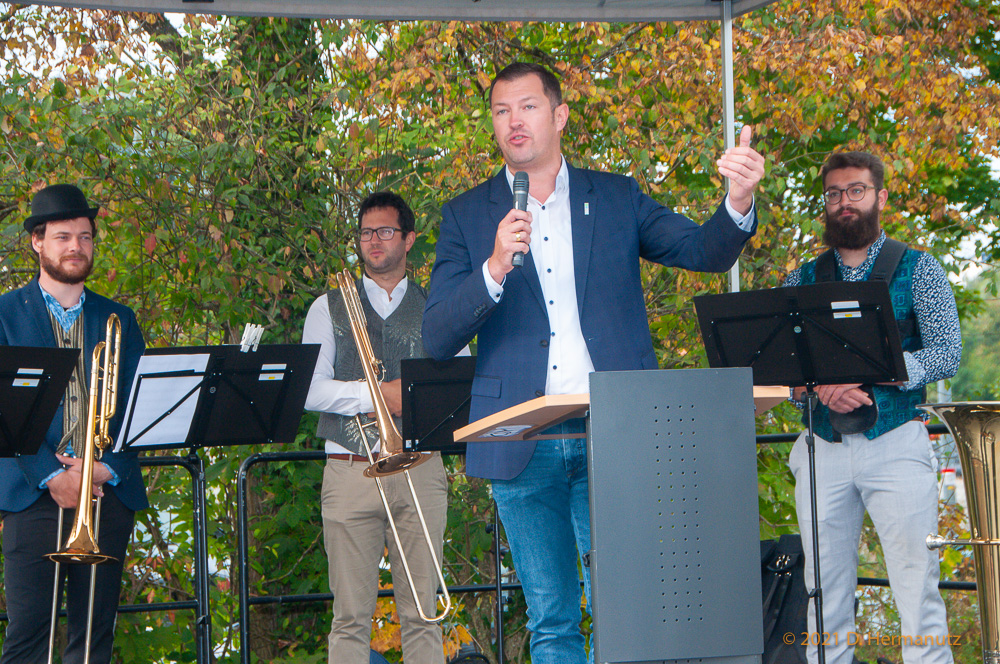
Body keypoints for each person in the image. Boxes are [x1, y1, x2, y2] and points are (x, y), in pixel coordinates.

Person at [422, 62, 764, 664]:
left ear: (560, 116)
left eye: (528, 107)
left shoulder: (615, 197)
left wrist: (737, 200)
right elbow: (436, 337)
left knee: (629, 607)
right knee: (551, 619)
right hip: (521, 436)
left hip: (616, 431)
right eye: (501, 111)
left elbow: (702, 251)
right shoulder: (467, 215)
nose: (513, 121)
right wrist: (495, 266)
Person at [784, 151, 959, 664]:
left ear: (879, 197)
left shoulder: (920, 268)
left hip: (896, 443)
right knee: (823, 594)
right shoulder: (800, 279)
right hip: (821, 448)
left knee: (917, 589)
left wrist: (871, 373)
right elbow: (786, 370)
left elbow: (946, 352)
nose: (845, 201)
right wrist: (820, 387)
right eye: (834, 193)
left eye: (856, 191)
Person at [0, 184, 147, 664]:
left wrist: (108, 467)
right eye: (62, 237)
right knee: (28, 639)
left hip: (105, 493)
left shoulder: (120, 317)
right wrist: (51, 475)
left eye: (84, 237)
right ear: (37, 242)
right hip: (31, 491)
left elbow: (141, 408)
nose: (75, 247)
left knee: (92, 641)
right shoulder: (4, 315)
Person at [302, 191, 451, 664]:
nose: (374, 241)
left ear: (409, 239)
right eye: (366, 233)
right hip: (349, 469)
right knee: (349, 619)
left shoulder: (438, 306)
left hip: (421, 468)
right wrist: (378, 396)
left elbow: (457, 387)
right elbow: (310, 391)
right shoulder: (327, 307)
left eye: (385, 231)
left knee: (424, 615)